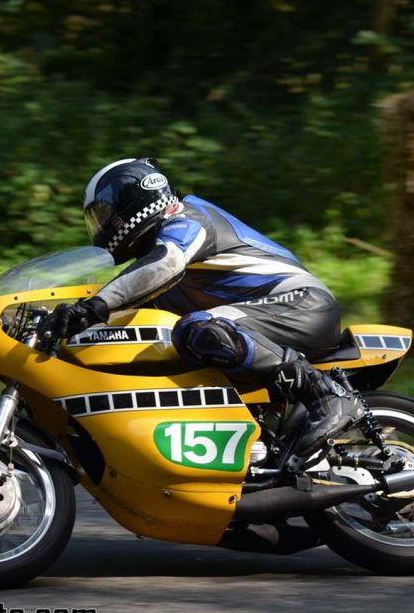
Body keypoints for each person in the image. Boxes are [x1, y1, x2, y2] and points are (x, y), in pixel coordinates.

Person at [38, 157, 363, 462]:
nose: (101, 224)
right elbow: (128, 304)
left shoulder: (187, 220)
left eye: (105, 213)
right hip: (265, 316)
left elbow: (167, 262)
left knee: (200, 329)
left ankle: (325, 395)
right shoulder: (153, 263)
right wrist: (59, 319)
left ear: (132, 202)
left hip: (301, 304)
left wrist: (93, 307)